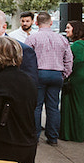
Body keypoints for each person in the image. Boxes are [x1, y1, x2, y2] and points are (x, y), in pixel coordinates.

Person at [30, 12, 72, 146]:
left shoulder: (33, 38)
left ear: (36, 23)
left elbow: (25, 58)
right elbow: (69, 59)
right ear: (51, 23)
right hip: (56, 73)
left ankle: (34, 136)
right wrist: (64, 74)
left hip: (39, 73)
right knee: (53, 107)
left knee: (36, 106)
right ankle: (53, 137)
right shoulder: (62, 39)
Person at [60, 20, 84, 141]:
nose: (66, 30)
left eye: (68, 28)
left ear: (75, 30)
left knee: (75, 105)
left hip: (79, 76)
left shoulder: (77, 45)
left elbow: (76, 61)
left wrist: (66, 75)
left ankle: (75, 134)